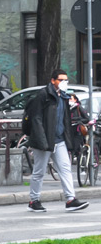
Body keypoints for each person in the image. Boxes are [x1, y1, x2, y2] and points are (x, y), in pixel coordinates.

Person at [20, 69, 91, 212]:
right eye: (61, 80)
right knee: (39, 172)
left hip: (59, 140)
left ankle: (71, 199)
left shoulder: (63, 97)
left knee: (65, 169)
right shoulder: (44, 94)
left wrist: (68, 138)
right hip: (44, 141)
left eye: (66, 80)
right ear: (53, 81)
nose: (64, 82)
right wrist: (42, 140)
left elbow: (64, 119)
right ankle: (34, 201)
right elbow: (36, 118)